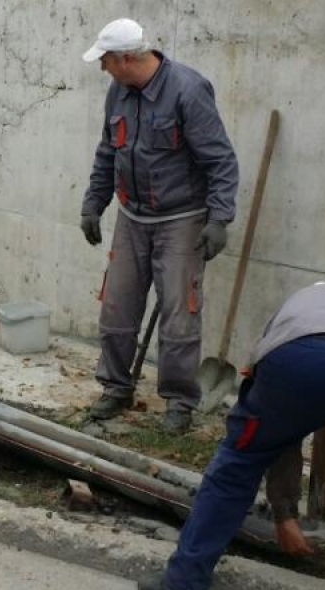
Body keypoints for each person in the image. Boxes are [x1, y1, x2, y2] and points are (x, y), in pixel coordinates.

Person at [137, 282, 325, 590]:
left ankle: (182, 585)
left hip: (299, 358)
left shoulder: (292, 310)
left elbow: (280, 440)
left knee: (238, 465)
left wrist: (285, 516)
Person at [79, 18, 239, 432]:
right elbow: (106, 153)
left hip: (181, 219)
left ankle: (178, 403)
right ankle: (116, 387)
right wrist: (93, 204)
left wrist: (219, 219)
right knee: (116, 306)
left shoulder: (188, 90)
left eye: (106, 62)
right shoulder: (119, 92)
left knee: (178, 318)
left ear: (126, 58)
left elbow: (220, 160)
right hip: (133, 217)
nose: (103, 70)